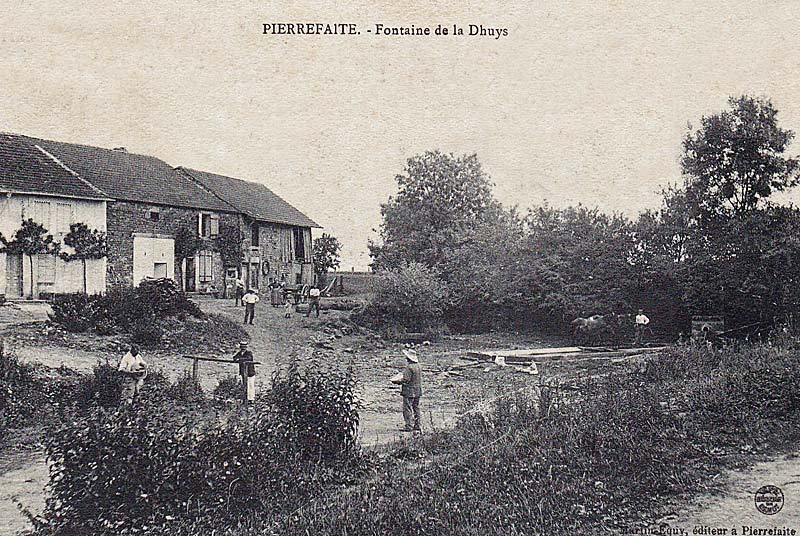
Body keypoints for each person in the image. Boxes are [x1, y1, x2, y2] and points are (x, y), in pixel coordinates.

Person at [397, 348, 422, 432]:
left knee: (407, 408)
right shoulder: (418, 366)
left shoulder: (409, 367)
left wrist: (398, 381)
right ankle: (417, 425)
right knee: (416, 407)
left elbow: (406, 380)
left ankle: (409, 426)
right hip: (418, 390)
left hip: (409, 391)